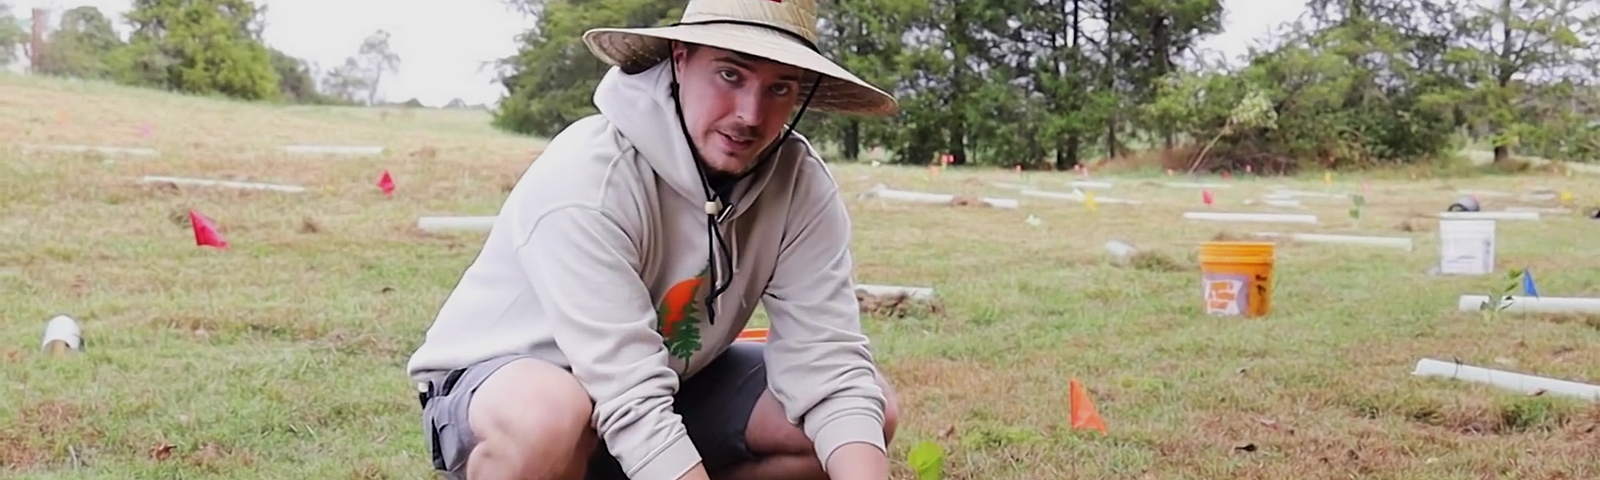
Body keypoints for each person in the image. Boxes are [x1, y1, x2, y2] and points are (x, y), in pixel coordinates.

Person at [404, 0, 902, 479]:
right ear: (681, 61)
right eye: (731, 74)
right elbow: (626, 388)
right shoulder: (589, 175)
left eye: (780, 89)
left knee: (864, 412)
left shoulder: (799, 182)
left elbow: (830, 361)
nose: (750, 114)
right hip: (515, 388)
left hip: (670, 381)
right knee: (550, 415)